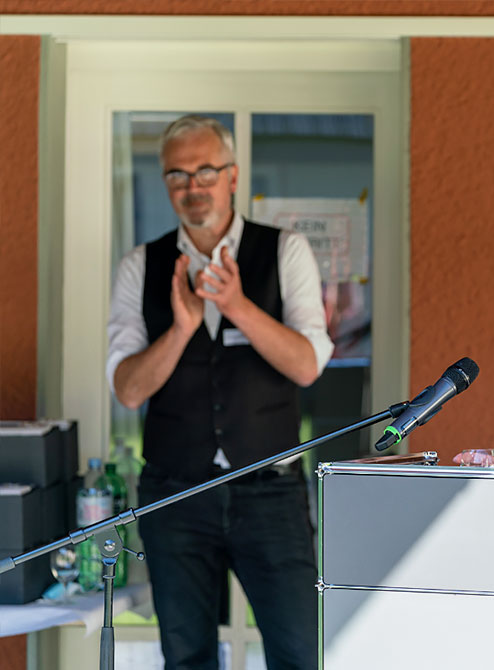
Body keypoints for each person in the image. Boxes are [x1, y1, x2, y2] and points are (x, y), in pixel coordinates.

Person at [106, 115, 333, 670]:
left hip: (271, 493)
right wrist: (181, 328)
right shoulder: (142, 265)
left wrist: (236, 306)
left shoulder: (286, 251)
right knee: (186, 659)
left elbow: (307, 365)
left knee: (299, 653)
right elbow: (128, 389)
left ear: (232, 176)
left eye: (206, 170)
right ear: (166, 185)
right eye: (178, 175)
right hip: (174, 495)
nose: (193, 186)